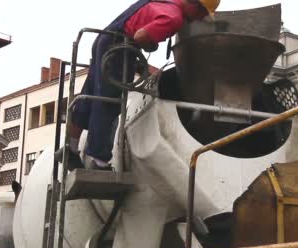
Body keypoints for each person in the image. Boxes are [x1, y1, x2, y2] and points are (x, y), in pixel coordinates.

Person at [61, 0, 220, 170]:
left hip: (104, 39)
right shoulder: (174, 18)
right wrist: (151, 44)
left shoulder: (166, 2)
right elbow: (141, 36)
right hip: (119, 47)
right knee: (110, 102)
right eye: (203, 13)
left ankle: (70, 147)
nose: (202, 18)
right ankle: (99, 160)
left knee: (91, 95)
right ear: (195, 4)